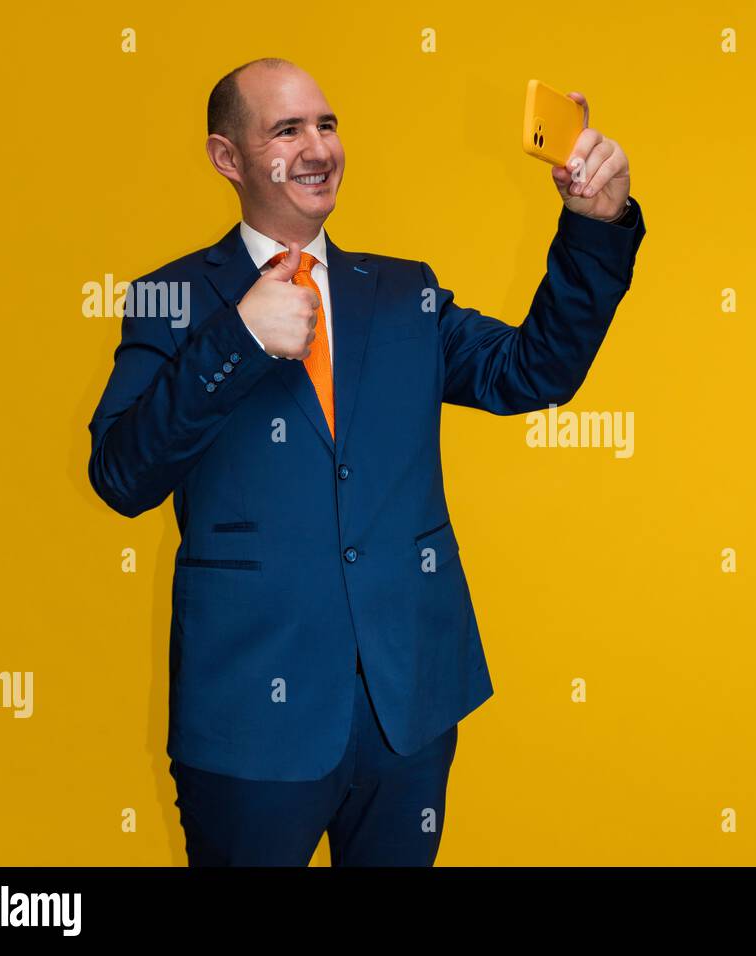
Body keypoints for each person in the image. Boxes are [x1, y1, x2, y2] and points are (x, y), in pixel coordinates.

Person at [85, 57, 646, 865]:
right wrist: (236, 341)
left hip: (407, 712)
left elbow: (534, 370)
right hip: (250, 726)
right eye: (287, 129)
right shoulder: (168, 301)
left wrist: (597, 225)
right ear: (227, 158)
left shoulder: (404, 294)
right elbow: (121, 476)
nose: (318, 147)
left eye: (327, 123)